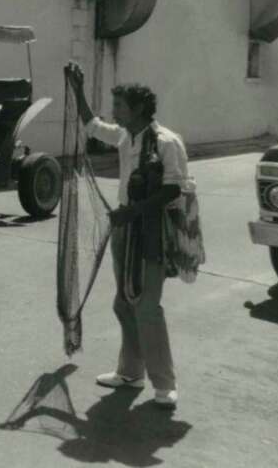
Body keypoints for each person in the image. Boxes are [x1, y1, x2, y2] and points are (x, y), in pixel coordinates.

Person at [64, 61, 187, 409]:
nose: (114, 111)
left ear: (138, 110)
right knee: (124, 302)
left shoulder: (166, 142)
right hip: (125, 228)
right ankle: (131, 373)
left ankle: (165, 384)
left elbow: (173, 190)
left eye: (119, 106)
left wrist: (132, 211)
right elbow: (91, 125)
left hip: (151, 231)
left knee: (147, 306)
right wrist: (77, 88)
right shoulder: (124, 135)